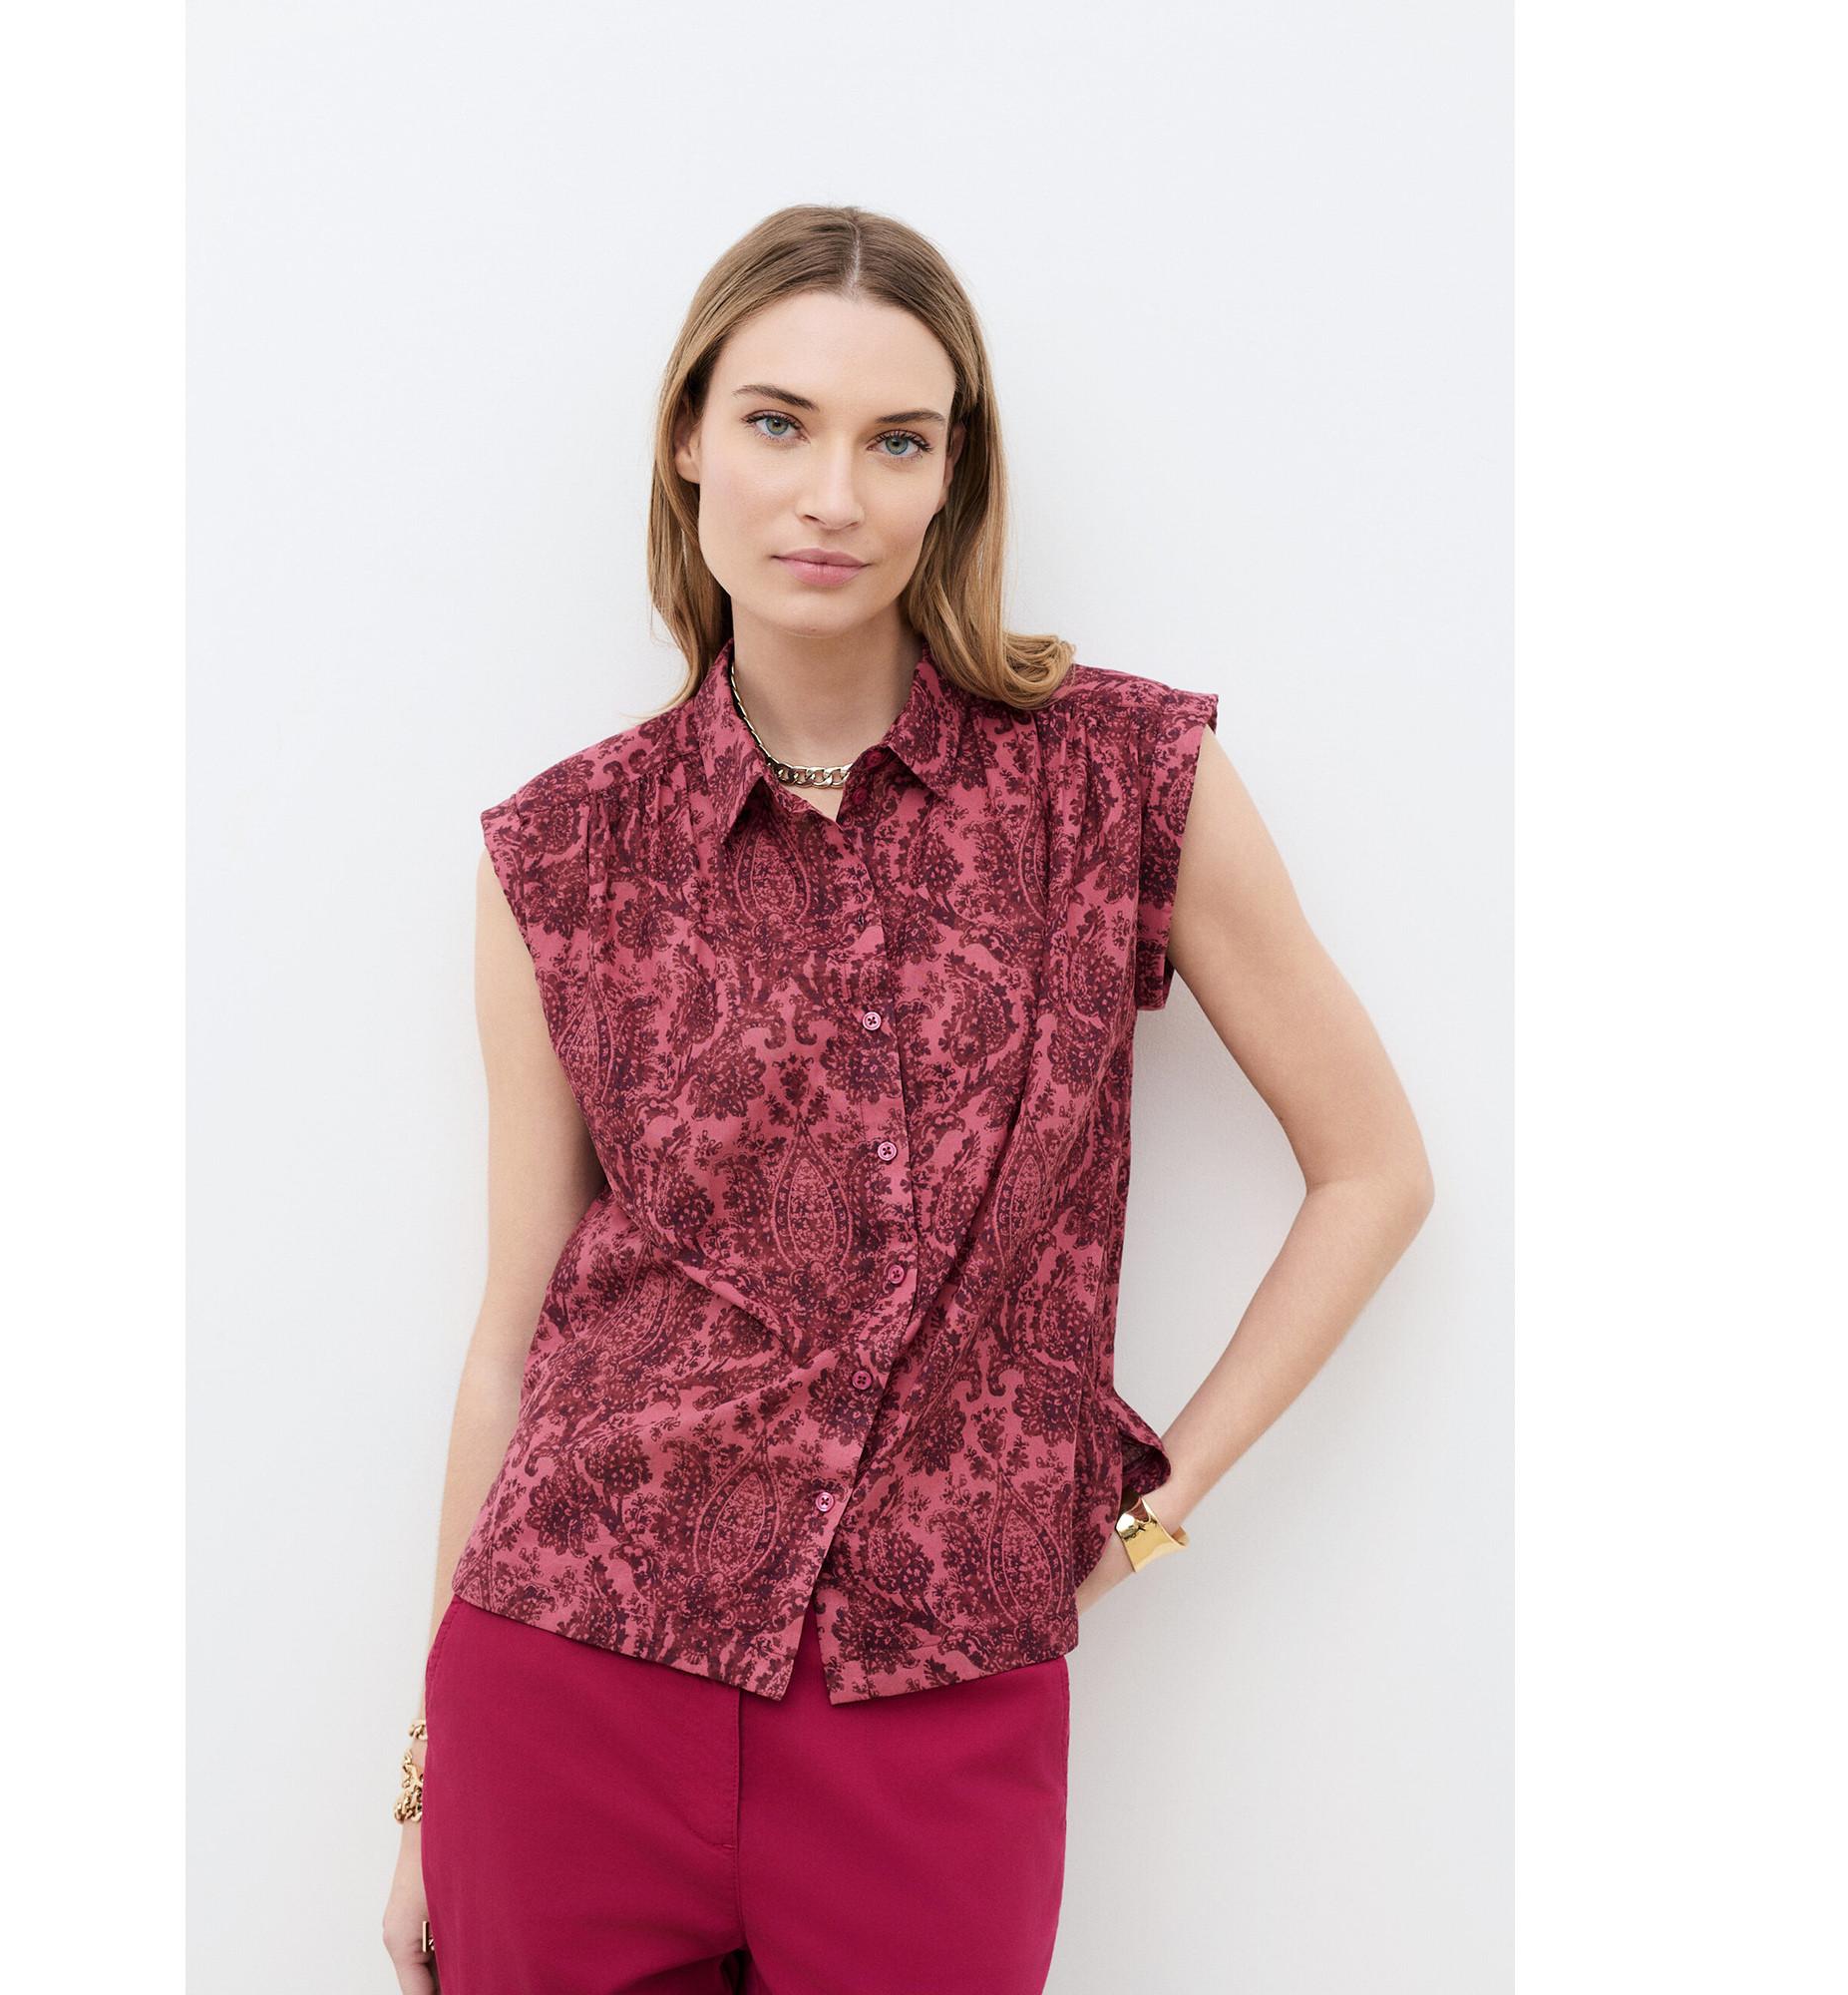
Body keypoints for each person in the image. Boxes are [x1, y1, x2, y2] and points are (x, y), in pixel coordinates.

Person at [381, 203, 1434, 1995]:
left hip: (935, 1695)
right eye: (779, 422)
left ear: (953, 479)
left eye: (896, 441)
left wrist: (1147, 1507)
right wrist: (428, 1776)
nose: (832, 496)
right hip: (568, 1672)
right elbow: (518, 1330)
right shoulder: (560, 852)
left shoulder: (1123, 778)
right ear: (689, 440)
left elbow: (1374, 1171)